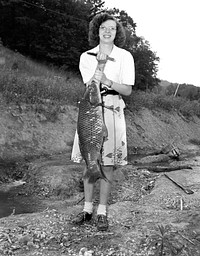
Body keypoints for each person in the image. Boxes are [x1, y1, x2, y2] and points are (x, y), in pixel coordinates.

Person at [71, 12, 135, 231]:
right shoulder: (86, 56)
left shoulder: (125, 56)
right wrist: (100, 63)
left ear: (117, 33)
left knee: (107, 163)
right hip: (90, 108)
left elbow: (127, 90)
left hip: (114, 107)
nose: (108, 32)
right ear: (96, 31)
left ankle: (102, 211)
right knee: (89, 158)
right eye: (103, 28)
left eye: (112, 28)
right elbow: (89, 84)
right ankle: (87, 209)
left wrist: (108, 80)